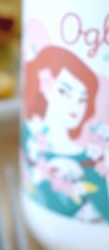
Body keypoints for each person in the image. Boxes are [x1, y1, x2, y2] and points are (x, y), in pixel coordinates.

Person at [22, 45, 109, 222]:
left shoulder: (91, 162)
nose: (75, 106)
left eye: (82, 99)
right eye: (64, 92)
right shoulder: (32, 143)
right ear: (45, 88)